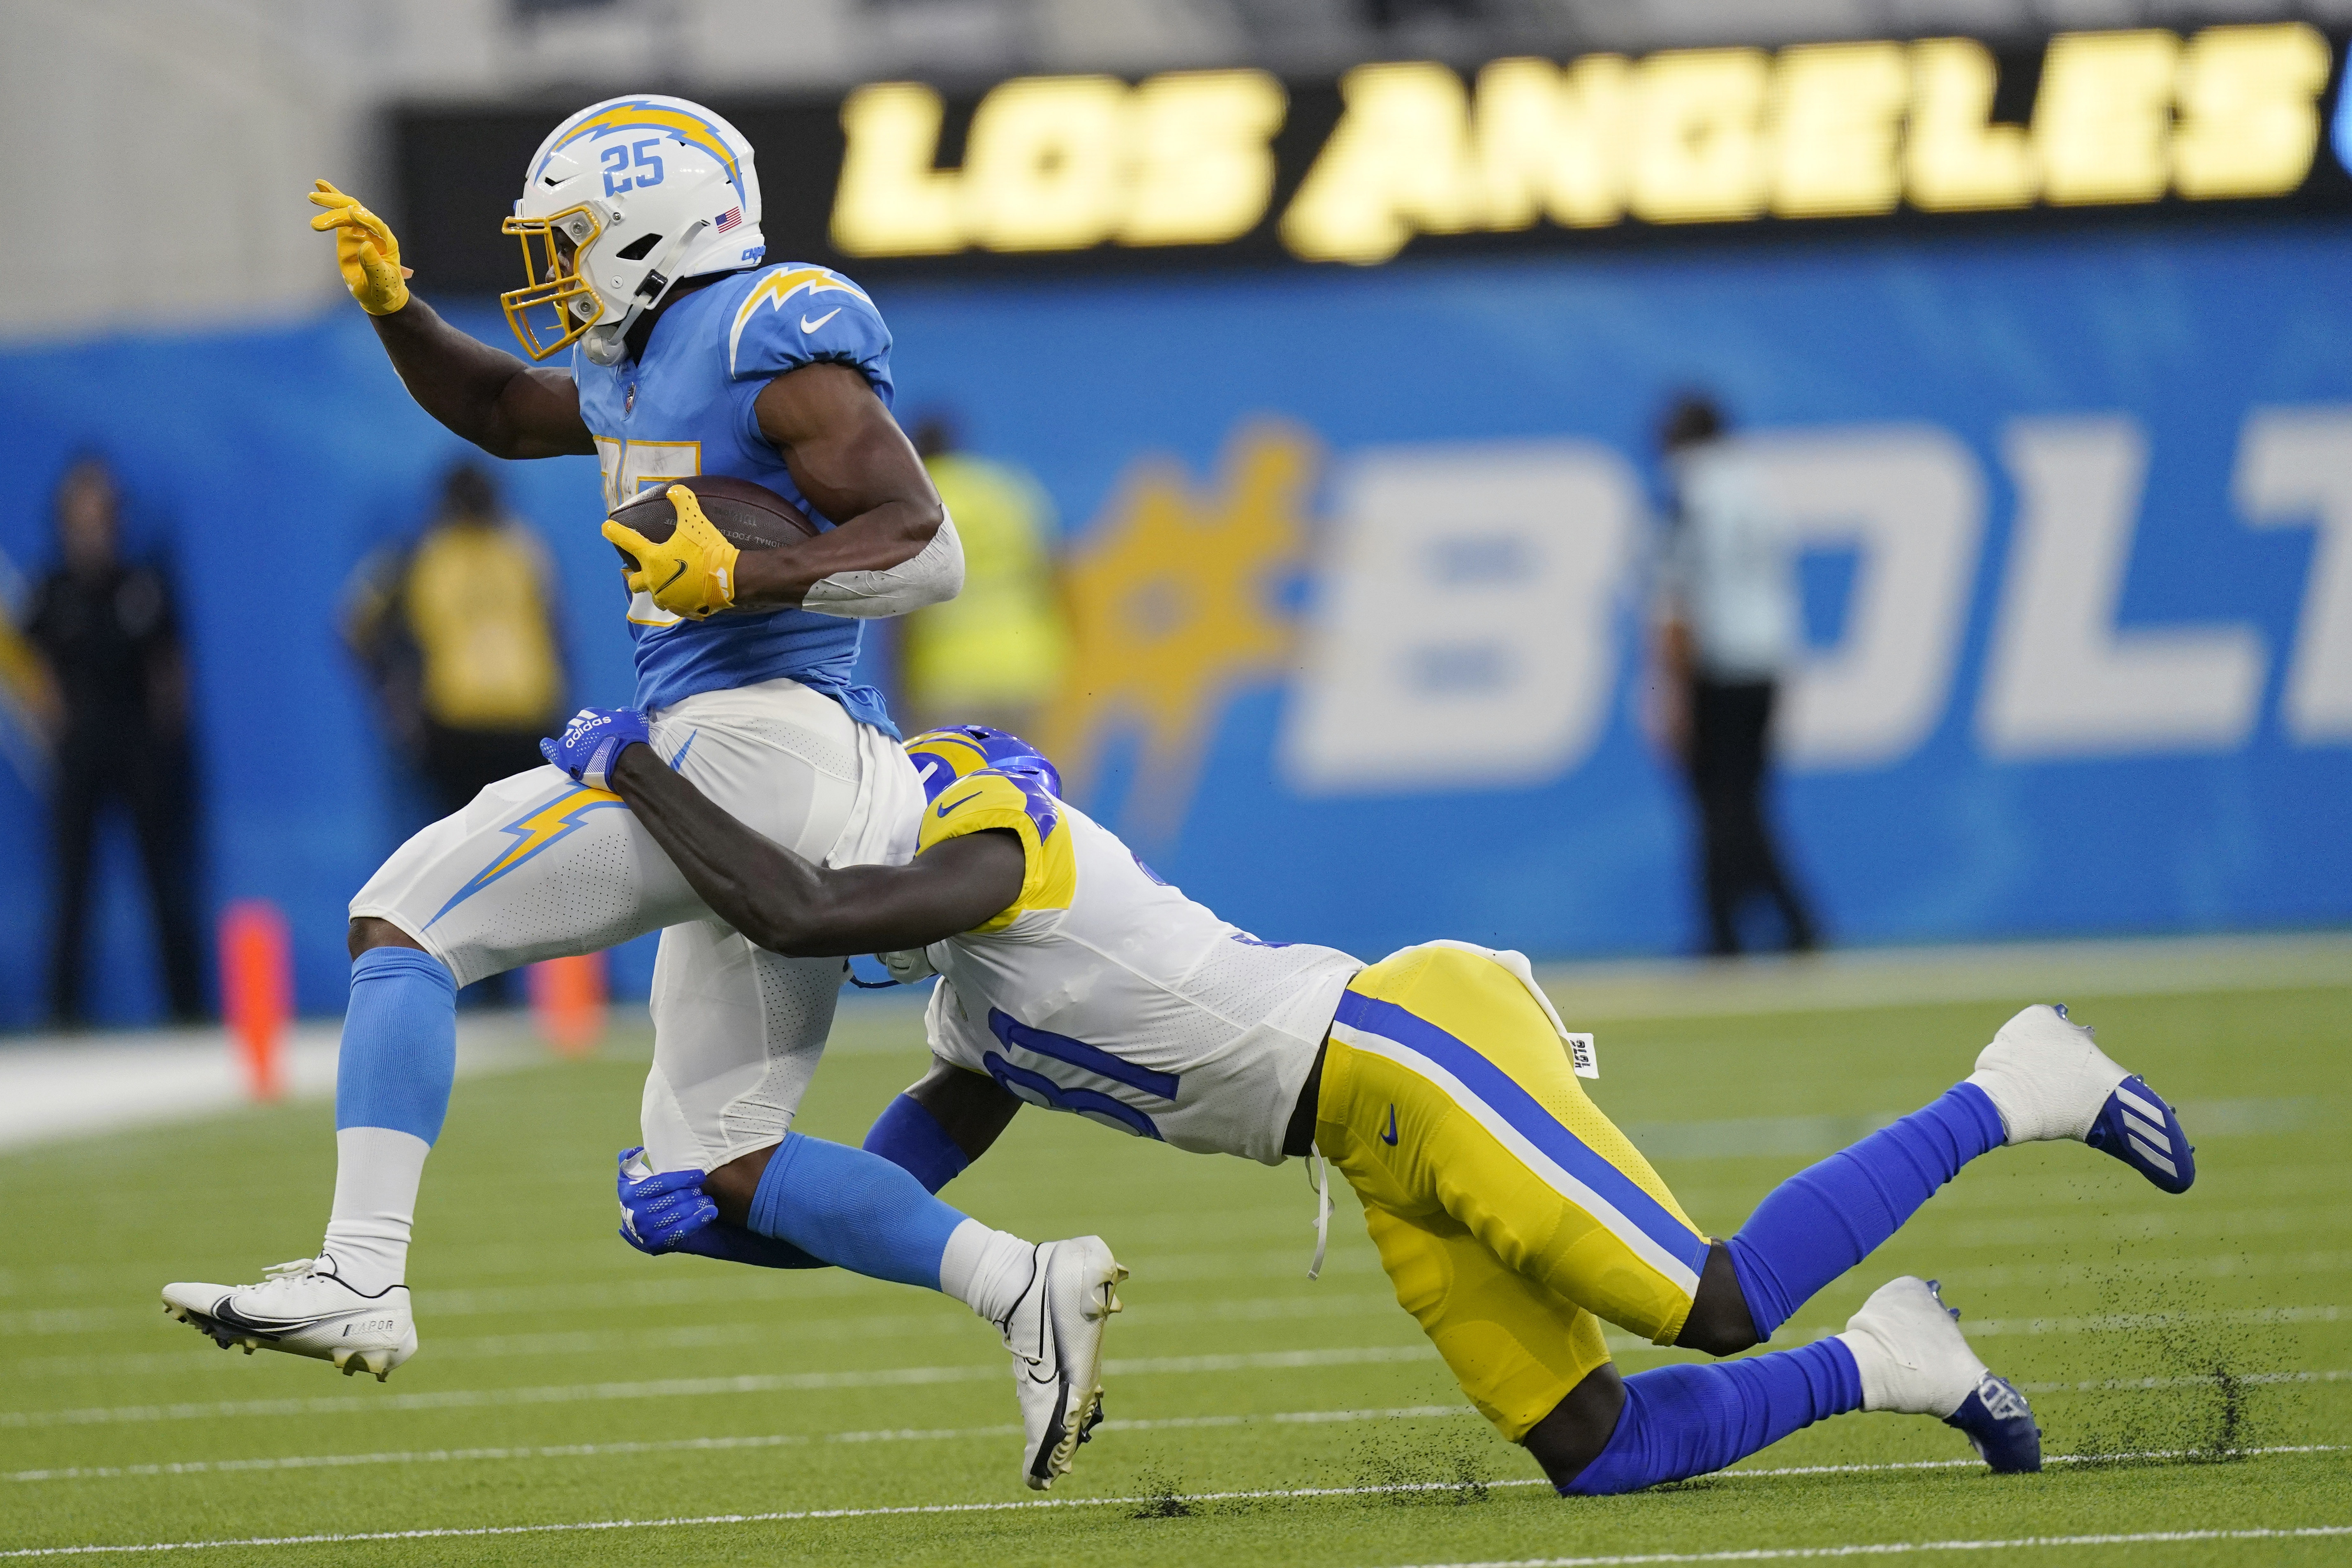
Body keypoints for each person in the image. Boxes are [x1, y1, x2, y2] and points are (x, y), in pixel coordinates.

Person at [158, 99, 1125, 1487]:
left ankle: (365, 1269)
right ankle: (1021, 1285)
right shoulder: (643, 354)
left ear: (656, 222)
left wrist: (748, 572)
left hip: (751, 740)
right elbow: (499, 408)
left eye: (572, 240)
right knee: (713, 1163)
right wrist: (393, 309)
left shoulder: (760, 331)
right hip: (767, 757)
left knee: (406, 912)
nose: (556, 271)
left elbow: (928, 551)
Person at [570, 711, 2200, 1496]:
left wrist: (638, 773)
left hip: (1406, 1047)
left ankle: (2014, 1079)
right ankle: (1889, 1355)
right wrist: (712, 1207)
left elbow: (795, 910)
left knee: (1710, 1298)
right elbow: (876, 1208)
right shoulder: (967, 1010)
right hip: (1360, 1136)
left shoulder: (1006, 844)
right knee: (1596, 1444)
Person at [24, 458, 205, 1025]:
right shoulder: (50, 591)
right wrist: (53, 727)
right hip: (80, 749)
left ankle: (187, 1011)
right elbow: (33, 669)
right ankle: (63, 1016)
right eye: (83, 511)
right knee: (73, 886)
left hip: (140, 749)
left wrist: (166, 738)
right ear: (64, 519)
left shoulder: (142, 585)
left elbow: (170, 669)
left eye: (103, 510)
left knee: (163, 880)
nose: (94, 523)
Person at [1651, 393, 1820, 956]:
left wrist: (1672, 690)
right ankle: (1768, 925)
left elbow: (1678, 599)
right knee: (1745, 799)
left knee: (1718, 806)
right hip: (1767, 660)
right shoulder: (1758, 484)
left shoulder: (1686, 489)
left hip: (1715, 664)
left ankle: (1739, 932)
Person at [343, 462, 568, 820]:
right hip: (497, 720)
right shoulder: (521, 549)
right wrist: (397, 698)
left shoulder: (427, 551)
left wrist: (393, 697)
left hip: (485, 720)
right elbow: (357, 627)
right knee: (508, 841)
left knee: (478, 840)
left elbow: (356, 625)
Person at [898, 415, 1069, 737]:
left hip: (946, 677)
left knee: (947, 785)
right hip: (1025, 672)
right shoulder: (1006, 491)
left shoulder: (918, 501)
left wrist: (899, 685)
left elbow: (901, 604)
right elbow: (1055, 575)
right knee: (1023, 783)